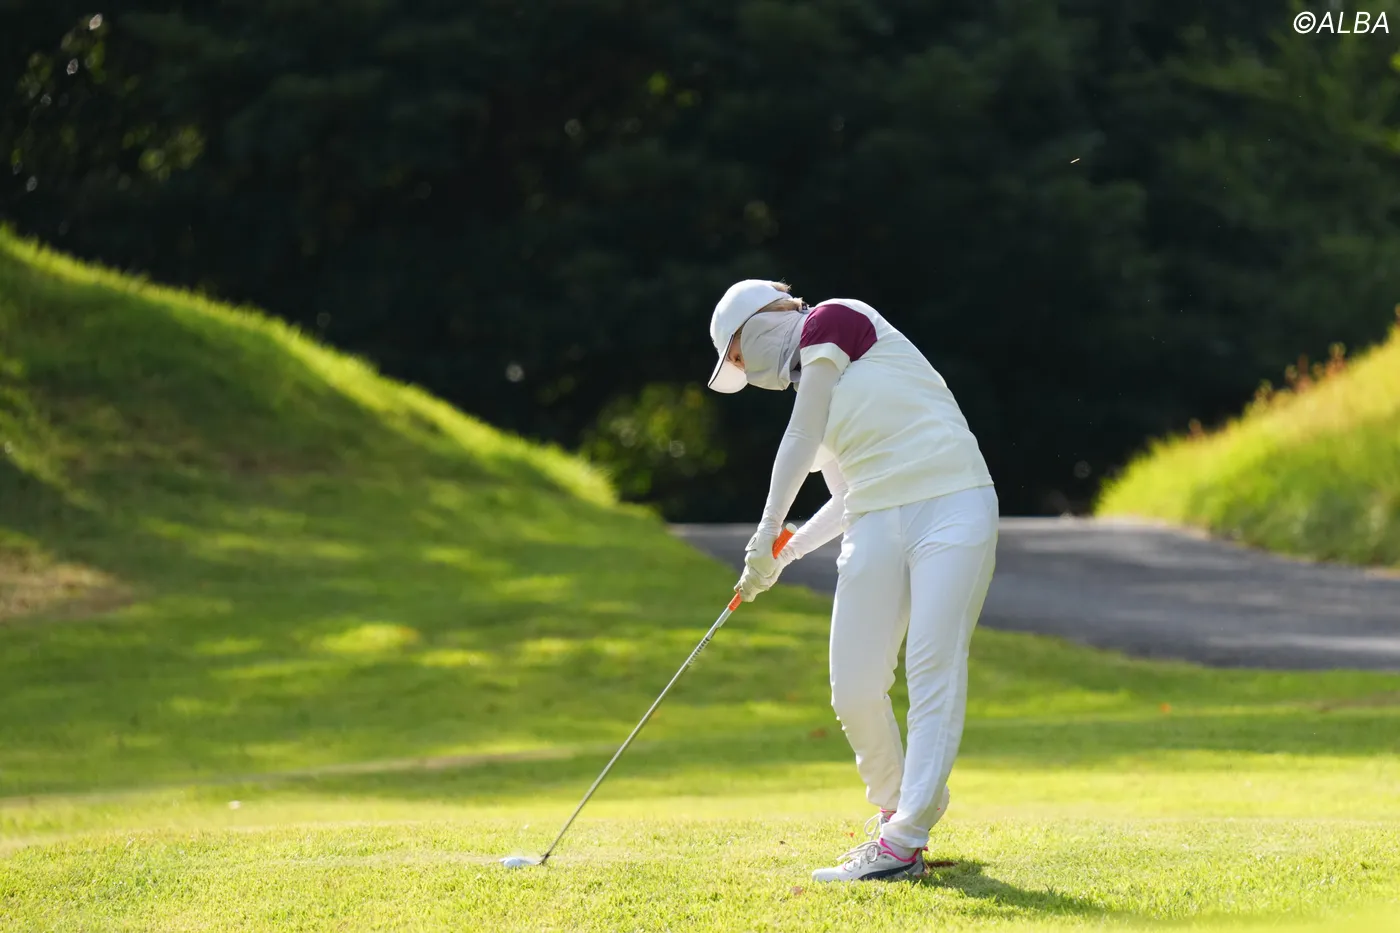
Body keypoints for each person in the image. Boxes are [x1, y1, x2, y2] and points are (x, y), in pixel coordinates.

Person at [705, 279, 999, 883]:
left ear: (760, 322)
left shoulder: (835, 320)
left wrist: (765, 532)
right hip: (875, 519)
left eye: (736, 355)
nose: (746, 372)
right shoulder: (814, 383)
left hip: (952, 503)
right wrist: (786, 552)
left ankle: (903, 842)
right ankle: (901, 804)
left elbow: (799, 438)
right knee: (854, 686)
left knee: (932, 666)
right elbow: (846, 497)